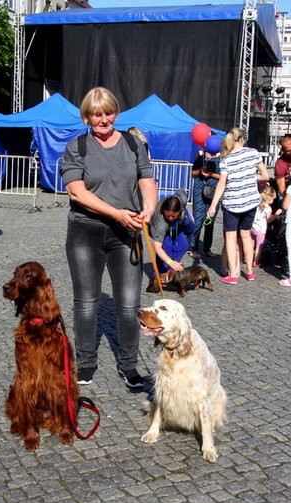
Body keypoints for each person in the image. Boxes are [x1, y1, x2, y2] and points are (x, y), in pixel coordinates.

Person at [60, 87, 157, 389]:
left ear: (115, 112)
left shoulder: (132, 143)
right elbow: (77, 191)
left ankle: (129, 365)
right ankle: (86, 363)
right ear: (87, 116)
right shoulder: (77, 146)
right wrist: (116, 213)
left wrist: (150, 209)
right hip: (85, 231)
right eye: (96, 114)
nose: (103, 119)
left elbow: (147, 180)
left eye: (108, 112)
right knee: (87, 303)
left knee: (129, 305)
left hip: (126, 232)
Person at [207, 127, 270, 284]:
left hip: (232, 203)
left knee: (230, 237)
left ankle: (233, 274)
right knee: (246, 236)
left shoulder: (225, 159)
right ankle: (249, 271)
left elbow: (221, 184)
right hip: (250, 202)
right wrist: (250, 176)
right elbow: (265, 175)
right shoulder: (253, 153)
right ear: (242, 139)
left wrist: (213, 206)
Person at [148, 190, 195, 273]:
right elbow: (157, 247)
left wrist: (173, 263)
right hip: (157, 227)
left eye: (173, 216)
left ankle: (171, 268)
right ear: (163, 211)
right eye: (168, 215)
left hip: (178, 223)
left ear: (179, 211)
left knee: (183, 245)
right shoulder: (161, 222)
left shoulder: (182, 199)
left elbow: (181, 191)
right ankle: (160, 273)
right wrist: (170, 262)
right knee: (166, 247)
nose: (170, 218)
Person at [189, 149, 221, 259]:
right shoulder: (200, 156)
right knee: (198, 220)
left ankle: (207, 249)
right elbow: (193, 173)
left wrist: (210, 174)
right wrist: (200, 171)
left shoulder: (221, 158)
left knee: (210, 222)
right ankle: (193, 249)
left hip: (214, 193)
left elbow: (224, 176)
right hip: (199, 191)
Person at [251, 184, 277, 268]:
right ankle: (255, 261)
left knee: (251, 244)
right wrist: (276, 215)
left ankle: (247, 258)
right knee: (259, 246)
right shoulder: (268, 208)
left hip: (252, 227)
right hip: (261, 230)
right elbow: (268, 220)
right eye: (273, 198)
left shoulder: (257, 204)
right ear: (269, 197)